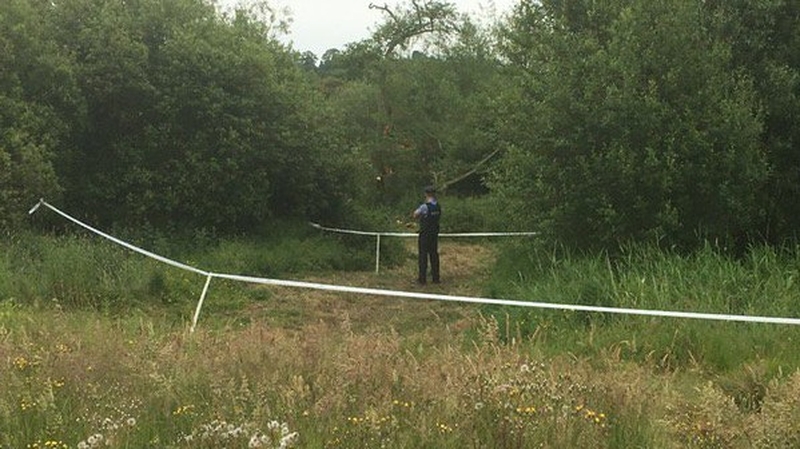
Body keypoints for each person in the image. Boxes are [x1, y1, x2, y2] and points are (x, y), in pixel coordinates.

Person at [412, 185, 441, 284]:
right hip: (434, 234)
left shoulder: (424, 207)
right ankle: (436, 278)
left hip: (425, 234)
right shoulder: (437, 206)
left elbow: (415, 214)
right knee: (434, 255)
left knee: (423, 256)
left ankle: (422, 279)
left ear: (426, 194)